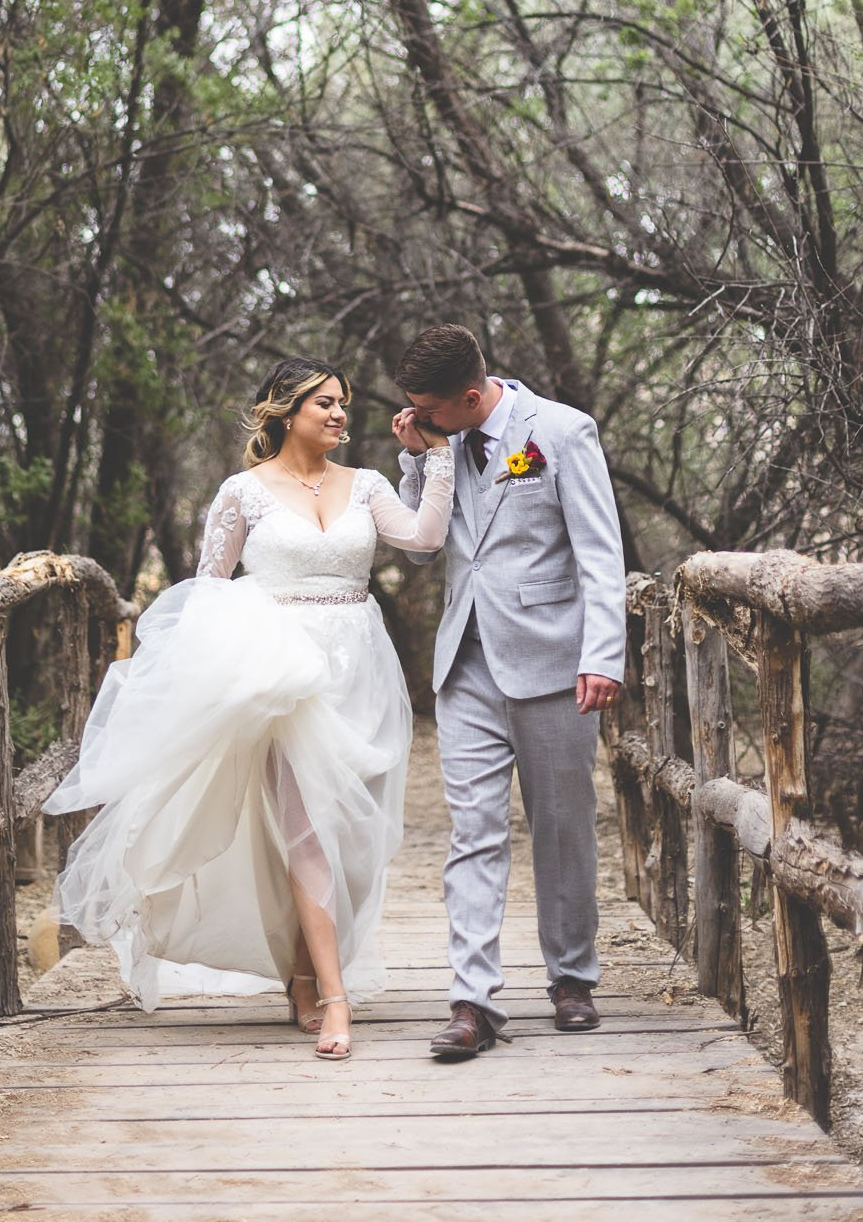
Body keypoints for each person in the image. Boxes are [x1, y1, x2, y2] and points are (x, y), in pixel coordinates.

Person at [44, 357, 453, 1062]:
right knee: (309, 834)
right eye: (324, 402)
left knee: (352, 840)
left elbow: (424, 538)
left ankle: (302, 970)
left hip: (361, 665)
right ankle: (335, 998)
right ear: (284, 409)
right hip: (280, 673)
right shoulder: (243, 493)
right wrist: (219, 674)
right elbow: (210, 589)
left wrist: (437, 459)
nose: (338, 415)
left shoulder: (369, 485)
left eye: (343, 404)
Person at [391, 324, 625, 1059]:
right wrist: (414, 458)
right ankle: (472, 1001)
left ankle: (571, 979)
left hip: (554, 660)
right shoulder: (440, 443)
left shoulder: (560, 430)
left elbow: (599, 551)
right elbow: (420, 542)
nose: (420, 419)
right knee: (474, 831)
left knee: (561, 826)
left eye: (429, 410)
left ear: (469, 396)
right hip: (466, 661)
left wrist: (604, 656)